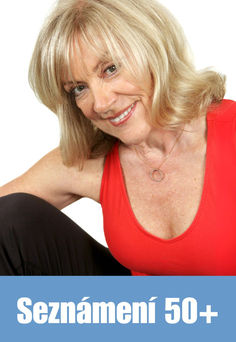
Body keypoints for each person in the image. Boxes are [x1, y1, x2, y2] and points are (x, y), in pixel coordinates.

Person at [0, 0, 235, 275]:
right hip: (138, 314)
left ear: (152, 49)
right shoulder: (92, 165)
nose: (100, 104)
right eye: (78, 88)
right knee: (9, 219)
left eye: (110, 69)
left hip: (218, 314)